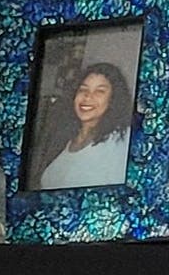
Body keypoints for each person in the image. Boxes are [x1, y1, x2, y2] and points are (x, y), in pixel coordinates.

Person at [32, 43, 136, 192]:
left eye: (100, 91)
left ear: (113, 99)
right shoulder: (61, 138)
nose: (88, 96)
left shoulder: (122, 141)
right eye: (83, 89)